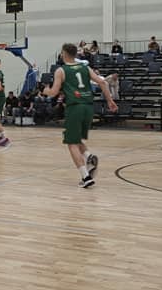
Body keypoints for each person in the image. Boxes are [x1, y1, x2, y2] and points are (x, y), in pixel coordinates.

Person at [40, 42, 117, 188]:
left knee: (71, 143)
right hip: (88, 107)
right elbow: (103, 83)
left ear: (64, 53)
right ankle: (89, 157)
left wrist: (45, 91)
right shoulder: (85, 67)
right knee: (75, 138)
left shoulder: (61, 71)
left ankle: (86, 177)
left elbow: (54, 92)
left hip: (75, 107)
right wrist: (110, 101)